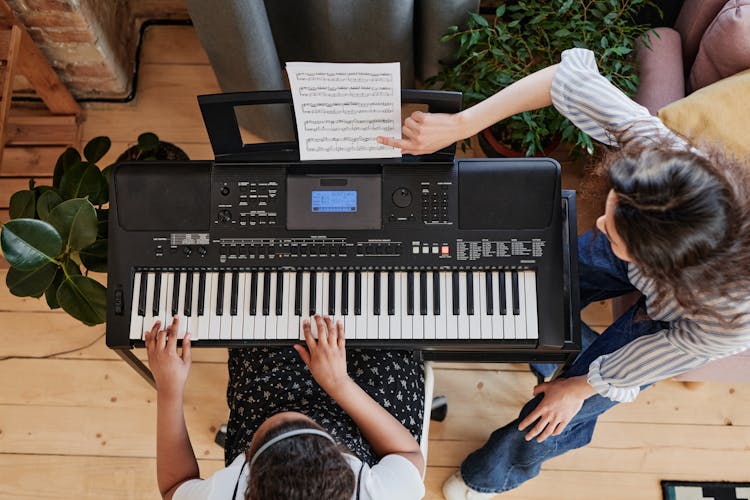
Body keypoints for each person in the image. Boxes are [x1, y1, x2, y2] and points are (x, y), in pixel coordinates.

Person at [378, 47, 750, 498]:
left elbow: (654, 355)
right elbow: (568, 78)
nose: (597, 223)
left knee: (558, 413)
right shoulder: (663, 159)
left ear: (659, 265)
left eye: (612, 234)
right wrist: (459, 125)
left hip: (680, 320)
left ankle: (491, 475)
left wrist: (578, 387)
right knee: (538, 289)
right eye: (610, 211)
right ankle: (544, 347)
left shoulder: (730, 319)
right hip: (660, 257)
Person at [144, 314, 426, 499]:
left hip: (265, 397)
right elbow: (407, 452)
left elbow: (174, 486)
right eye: (307, 424)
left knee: (254, 320)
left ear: (248, 484)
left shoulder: (224, 494)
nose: (297, 414)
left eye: (271, 429)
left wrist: (169, 389)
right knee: (392, 323)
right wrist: (339, 383)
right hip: (371, 431)